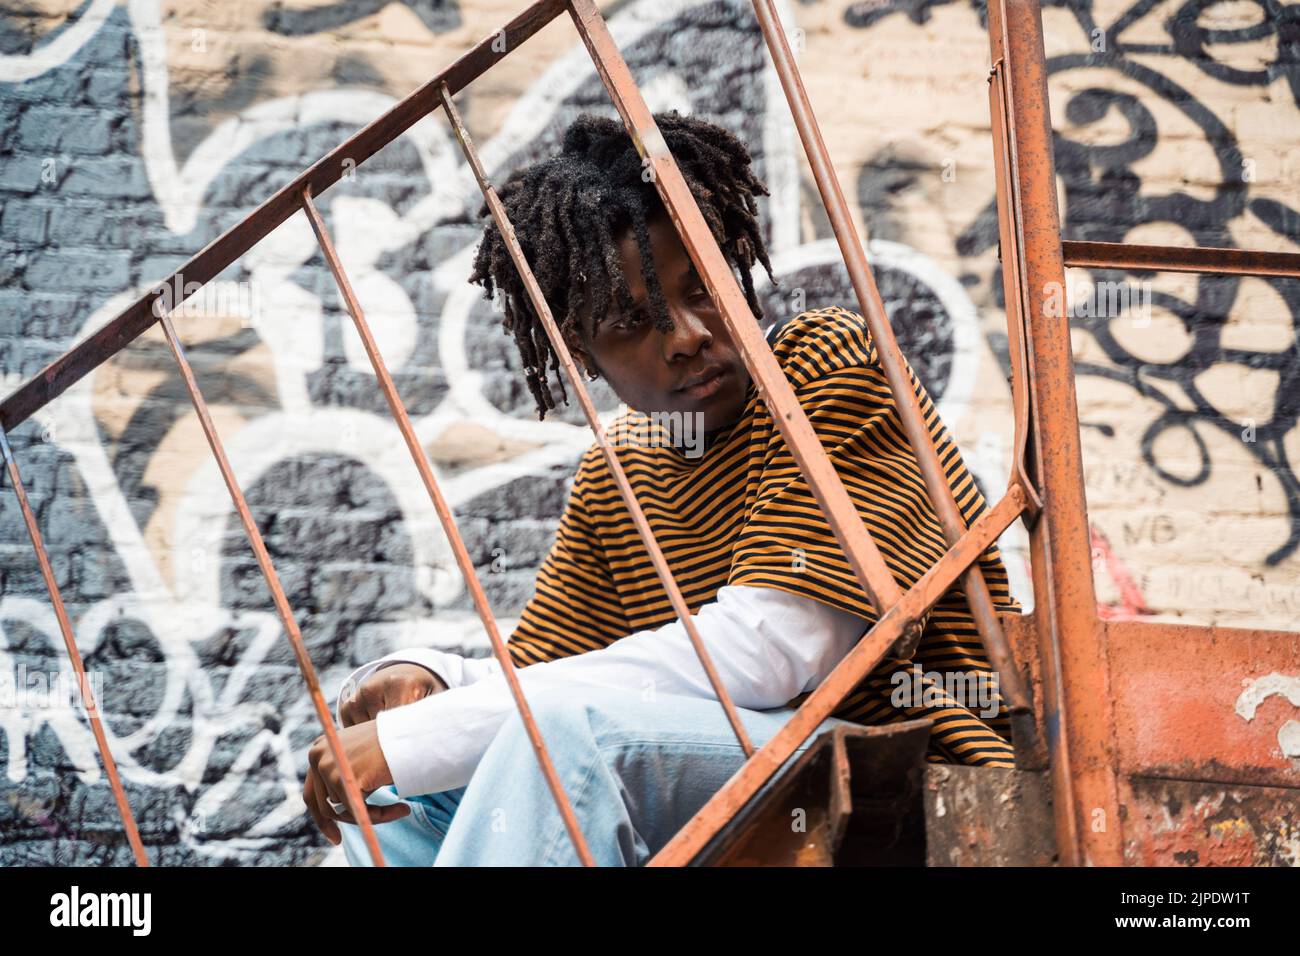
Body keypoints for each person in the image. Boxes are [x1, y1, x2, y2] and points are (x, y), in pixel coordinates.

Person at [300, 110, 1020, 866]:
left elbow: (775, 651)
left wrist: (426, 735)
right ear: (582, 354)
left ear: (737, 263)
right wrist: (430, 682)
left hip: (901, 759)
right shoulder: (621, 476)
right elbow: (545, 678)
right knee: (403, 802)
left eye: (701, 287)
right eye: (633, 321)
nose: (685, 335)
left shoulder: (827, 366)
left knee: (561, 739)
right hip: (726, 772)